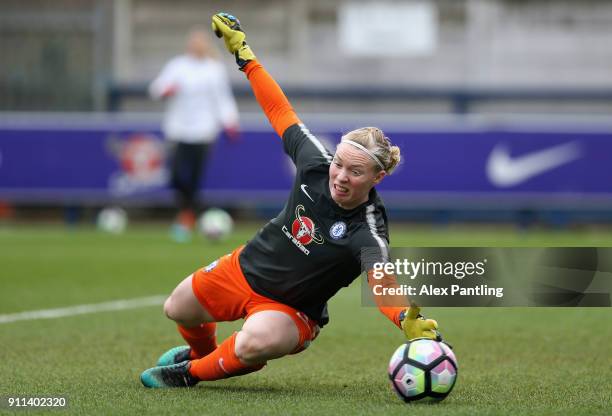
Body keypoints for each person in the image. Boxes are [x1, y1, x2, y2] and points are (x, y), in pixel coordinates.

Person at [140, 13, 441, 388]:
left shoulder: (368, 228)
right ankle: (206, 355)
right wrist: (245, 56)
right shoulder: (317, 163)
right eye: (341, 165)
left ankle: (189, 373)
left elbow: (383, 284)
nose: (342, 176)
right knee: (177, 308)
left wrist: (404, 319)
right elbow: (280, 109)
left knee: (255, 342)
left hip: (291, 311)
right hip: (245, 268)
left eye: (356, 172)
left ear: (378, 178)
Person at [149, 27, 239, 242]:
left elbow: (223, 98)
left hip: (204, 131)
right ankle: (188, 212)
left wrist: (230, 121)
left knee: (195, 177)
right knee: (177, 176)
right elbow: (156, 88)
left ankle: (187, 217)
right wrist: (165, 90)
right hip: (178, 130)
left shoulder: (214, 69)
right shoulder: (177, 66)